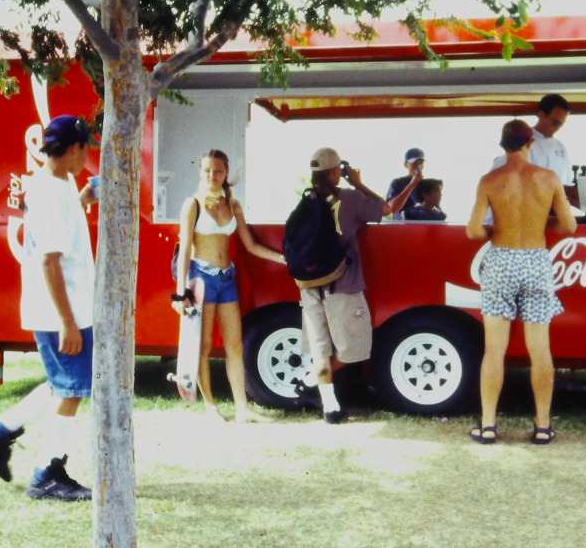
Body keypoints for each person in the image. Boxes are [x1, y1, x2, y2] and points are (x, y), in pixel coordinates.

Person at [0, 115, 97, 501]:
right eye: (85, 148)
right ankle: (48, 473)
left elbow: (59, 227)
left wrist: (83, 200)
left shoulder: (61, 183)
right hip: (62, 310)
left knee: (64, 384)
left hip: (66, 306)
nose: (87, 155)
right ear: (73, 148)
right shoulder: (50, 191)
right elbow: (49, 261)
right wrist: (67, 323)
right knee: (72, 388)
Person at [466, 120, 577, 445]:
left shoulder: (490, 180)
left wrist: (496, 228)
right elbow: (569, 227)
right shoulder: (548, 178)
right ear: (530, 142)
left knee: (494, 350)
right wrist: (540, 219)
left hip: (501, 260)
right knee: (540, 349)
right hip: (536, 261)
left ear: (503, 145)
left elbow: (473, 231)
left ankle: (488, 426)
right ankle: (542, 426)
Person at [172, 149, 285, 422]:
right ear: (200, 171)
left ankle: (242, 410)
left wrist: (284, 259)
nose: (213, 175)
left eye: (219, 170)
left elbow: (250, 245)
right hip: (201, 279)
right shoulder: (193, 204)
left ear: (226, 172)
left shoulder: (232, 203)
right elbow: (185, 248)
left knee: (235, 345)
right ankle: (211, 407)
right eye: (208, 170)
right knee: (204, 346)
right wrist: (179, 292)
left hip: (226, 279)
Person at [293, 148, 396, 423]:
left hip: (309, 285)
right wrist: (358, 182)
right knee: (354, 350)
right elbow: (388, 209)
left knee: (320, 350)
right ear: (337, 171)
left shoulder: (306, 200)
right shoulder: (348, 198)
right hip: (343, 284)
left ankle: (330, 407)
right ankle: (309, 381)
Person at [491, 94, 580, 209]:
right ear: (541, 115)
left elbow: (567, 187)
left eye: (562, 124)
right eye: (555, 122)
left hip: (554, 212)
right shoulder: (522, 142)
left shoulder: (561, 147)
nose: (558, 127)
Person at [386, 148, 426, 219]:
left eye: (421, 163)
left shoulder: (428, 185)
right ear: (405, 164)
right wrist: (412, 185)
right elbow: (392, 208)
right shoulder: (397, 183)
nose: (418, 167)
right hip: (402, 228)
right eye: (414, 163)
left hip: (423, 228)